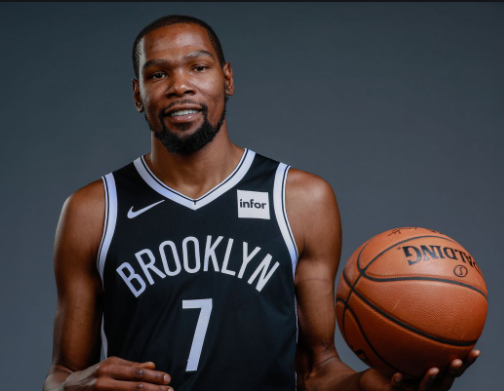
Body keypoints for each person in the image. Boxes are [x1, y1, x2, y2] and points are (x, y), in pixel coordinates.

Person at [43, 15, 480, 391]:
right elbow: (63, 372)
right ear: (138, 94)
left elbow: (317, 367)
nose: (180, 86)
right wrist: (69, 387)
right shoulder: (94, 209)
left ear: (227, 78)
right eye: (157, 74)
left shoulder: (301, 199)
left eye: (198, 67)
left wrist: (375, 385)